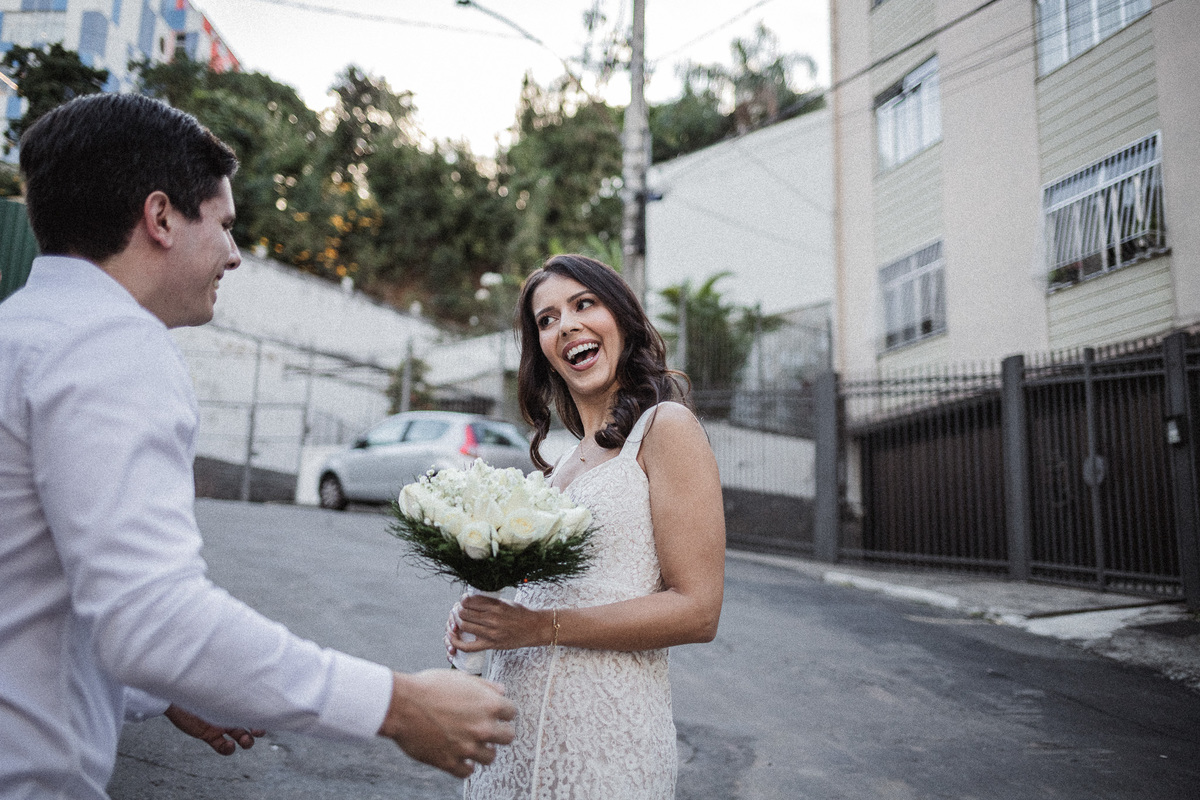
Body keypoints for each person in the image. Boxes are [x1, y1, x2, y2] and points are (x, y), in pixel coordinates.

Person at [0, 92, 515, 799]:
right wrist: (400, 705)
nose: (235, 256)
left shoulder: (20, 332)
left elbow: (37, 599)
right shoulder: (113, 345)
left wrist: (160, 692)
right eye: (224, 225)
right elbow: (152, 621)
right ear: (160, 218)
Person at [447, 254, 726, 798]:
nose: (567, 325)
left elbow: (698, 610)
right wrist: (484, 622)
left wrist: (539, 627)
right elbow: (543, 596)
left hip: (605, 751)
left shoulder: (665, 429)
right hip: (510, 749)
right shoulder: (558, 468)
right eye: (547, 319)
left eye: (584, 304)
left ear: (621, 318)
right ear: (544, 353)